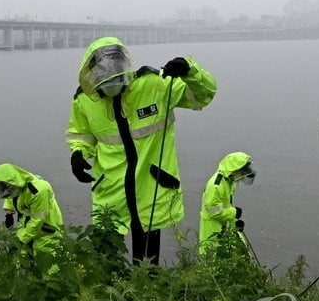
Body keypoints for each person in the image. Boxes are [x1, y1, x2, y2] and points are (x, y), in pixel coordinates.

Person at [65, 36, 217, 264]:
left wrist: (189, 71)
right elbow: (81, 133)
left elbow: (203, 96)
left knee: (148, 256)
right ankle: (113, 293)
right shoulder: (86, 100)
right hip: (111, 190)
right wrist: (78, 153)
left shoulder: (153, 85)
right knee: (107, 253)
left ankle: (147, 286)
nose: (110, 87)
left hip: (151, 186)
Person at [0, 163, 64, 257]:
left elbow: (37, 221)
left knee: (49, 262)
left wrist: (20, 241)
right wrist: (9, 213)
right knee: (24, 261)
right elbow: (11, 196)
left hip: (46, 230)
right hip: (26, 225)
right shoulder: (16, 184)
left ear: (12, 185)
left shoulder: (39, 191)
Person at [198, 152, 256, 256]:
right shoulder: (216, 186)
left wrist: (235, 223)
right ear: (235, 170)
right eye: (242, 173)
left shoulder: (229, 181)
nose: (242, 177)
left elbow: (225, 206)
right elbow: (215, 213)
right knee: (212, 259)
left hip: (223, 226)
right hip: (213, 230)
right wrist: (235, 213)